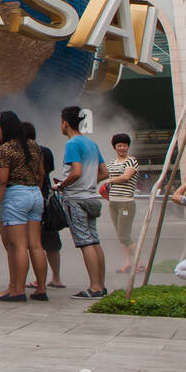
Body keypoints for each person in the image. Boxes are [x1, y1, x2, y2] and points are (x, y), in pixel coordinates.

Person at [0, 110, 47, 302]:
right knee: (36, 245)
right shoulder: (33, 145)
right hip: (35, 194)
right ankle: (40, 288)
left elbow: (1, 180)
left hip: (16, 195)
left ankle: (18, 290)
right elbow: (41, 174)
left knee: (18, 246)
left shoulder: (6, 149)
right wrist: (34, 190)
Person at [52, 105, 109, 298]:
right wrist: (90, 182)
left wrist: (61, 185)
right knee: (94, 240)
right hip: (93, 197)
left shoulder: (72, 144)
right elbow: (104, 173)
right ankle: (101, 285)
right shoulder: (92, 144)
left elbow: (75, 172)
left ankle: (93, 287)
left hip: (76, 198)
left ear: (65, 123)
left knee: (84, 242)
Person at [24, 122, 65, 289]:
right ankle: (56, 277)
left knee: (35, 243)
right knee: (52, 243)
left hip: (32, 199)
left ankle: (38, 279)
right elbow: (48, 172)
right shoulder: (46, 151)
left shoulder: (25, 153)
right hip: (47, 199)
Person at [103, 133, 140, 273]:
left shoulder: (131, 161)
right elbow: (105, 175)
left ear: (128, 146)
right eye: (119, 145)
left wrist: (110, 181)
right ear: (114, 147)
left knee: (125, 235)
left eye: (125, 145)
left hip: (126, 203)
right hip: (113, 203)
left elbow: (126, 177)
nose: (122, 148)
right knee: (120, 235)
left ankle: (139, 262)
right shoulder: (111, 163)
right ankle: (128, 262)